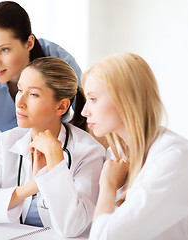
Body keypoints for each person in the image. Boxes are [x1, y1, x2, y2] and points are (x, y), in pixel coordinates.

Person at [0, 57, 105, 237]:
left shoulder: (89, 152)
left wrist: (55, 161)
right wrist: (32, 187)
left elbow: (72, 226)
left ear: (62, 106)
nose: (19, 102)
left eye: (33, 94)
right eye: (20, 90)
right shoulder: (8, 141)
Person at [81, 52, 188, 239]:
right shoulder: (118, 152)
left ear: (125, 99)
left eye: (93, 99)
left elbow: (104, 236)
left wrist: (107, 185)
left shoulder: (174, 158)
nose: (84, 111)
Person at [0, 1, 83, 169]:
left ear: (29, 43)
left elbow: (86, 115)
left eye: (4, 50)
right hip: (12, 161)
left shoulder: (61, 62)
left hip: (61, 154)